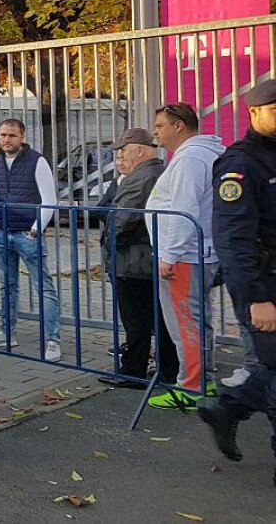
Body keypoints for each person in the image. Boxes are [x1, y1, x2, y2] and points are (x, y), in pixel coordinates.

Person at [197, 80, 276, 477]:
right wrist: (256, 299)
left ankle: (227, 407)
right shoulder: (239, 164)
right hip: (264, 286)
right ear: (253, 112)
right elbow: (233, 239)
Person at [145, 102, 225, 409]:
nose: (155, 132)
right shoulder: (203, 153)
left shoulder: (190, 158)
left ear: (178, 126)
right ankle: (204, 379)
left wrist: (169, 254)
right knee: (196, 319)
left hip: (185, 256)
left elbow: (183, 209)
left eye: (160, 126)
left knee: (185, 323)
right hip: (195, 253)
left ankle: (191, 387)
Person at [95, 129, 178, 389]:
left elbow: (124, 218)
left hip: (133, 260)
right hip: (143, 258)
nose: (120, 156)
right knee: (156, 318)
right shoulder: (155, 172)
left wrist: (109, 240)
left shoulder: (142, 177)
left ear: (139, 150)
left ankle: (134, 372)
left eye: (124, 150)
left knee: (137, 320)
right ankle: (165, 370)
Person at [0, 119, 63, 362]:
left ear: (22, 137)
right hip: (1, 233)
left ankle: (52, 340)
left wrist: (36, 229)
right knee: (7, 285)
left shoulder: (37, 161)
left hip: (27, 234)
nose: (6, 140)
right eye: (3, 135)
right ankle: (6, 333)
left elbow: (49, 199)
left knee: (44, 287)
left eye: (12, 135)